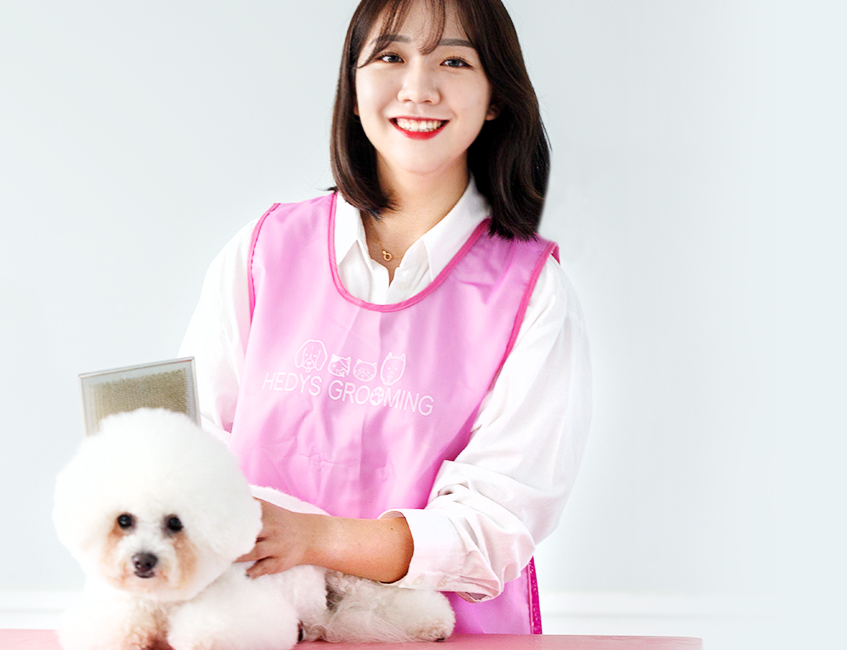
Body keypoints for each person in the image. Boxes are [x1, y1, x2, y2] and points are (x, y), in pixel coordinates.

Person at [175, 0, 591, 635]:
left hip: (445, 637)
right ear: (354, 85)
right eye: (391, 56)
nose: (418, 88)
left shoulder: (533, 293)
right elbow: (191, 446)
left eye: (454, 61)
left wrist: (314, 538)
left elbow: (495, 525)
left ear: (496, 97)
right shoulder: (264, 251)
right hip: (257, 628)